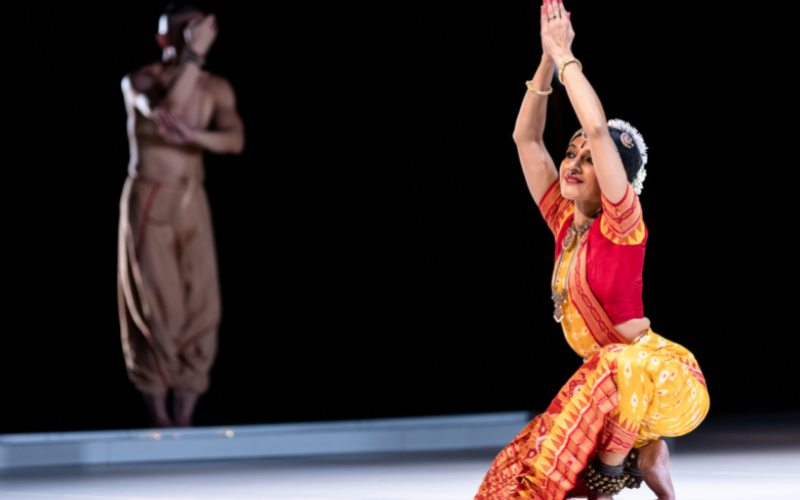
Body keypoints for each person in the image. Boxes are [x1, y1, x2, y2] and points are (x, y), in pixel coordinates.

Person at [475, 2, 708, 499]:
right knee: (524, 458)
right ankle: (641, 457)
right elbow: (525, 138)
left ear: (617, 179)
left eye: (590, 158)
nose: (575, 161)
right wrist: (544, 61)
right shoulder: (564, 220)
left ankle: (617, 465)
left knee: (613, 364)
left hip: (667, 380)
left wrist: (566, 57)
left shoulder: (622, 224)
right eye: (572, 152)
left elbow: (600, 130)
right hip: (611, 391)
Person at [118, 2, 244, 428]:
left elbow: (235, 139)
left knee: (202, 306)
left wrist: (196, 136)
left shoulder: (216, 86)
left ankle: (185, 423)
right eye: (185, 31)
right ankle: (158, 419)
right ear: (164, 38)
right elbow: (168, 105)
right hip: (150, 197)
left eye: (199, 29)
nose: (195, 36)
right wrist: (194, 53)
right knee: (156, 306)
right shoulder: (140, 81)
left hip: (193, 198)